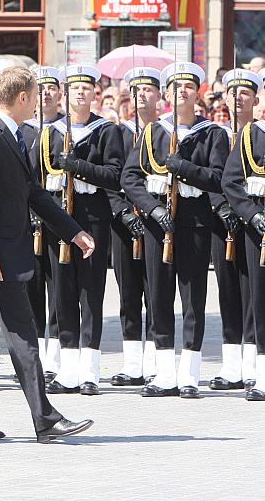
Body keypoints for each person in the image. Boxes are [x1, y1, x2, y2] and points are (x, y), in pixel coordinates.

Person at [0, 66, 94, 442]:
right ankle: (45, 419)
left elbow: (34, 194)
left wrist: (73, 233)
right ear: (23, 97)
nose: (43, 102)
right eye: (36, 96)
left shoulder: (9, 135)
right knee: (23, 334)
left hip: (1, 255)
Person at [121, 62, 227, 398]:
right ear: (166, 94)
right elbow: (130, 178)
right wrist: (151, 209)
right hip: (159, 225)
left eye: (188, 86)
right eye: (176, 86)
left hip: (195, 221)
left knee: (193, 297)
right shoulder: (153, 132)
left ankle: (190, 374)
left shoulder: (212, 134)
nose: (181, 91)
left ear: (197, 93)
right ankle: (165, 372)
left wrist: (184, 168)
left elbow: (218, 179)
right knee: (159, 296)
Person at [45, 65, 125, 396]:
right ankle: (67, 368)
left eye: (86, 87)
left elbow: (115, 174)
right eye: (74, 87)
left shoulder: (106, 131)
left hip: (92, 217)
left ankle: (90, 369)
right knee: (62, 292)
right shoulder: (49, 131)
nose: (80, 92)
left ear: (94, 93)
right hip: (58, 218)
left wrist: (77, 166)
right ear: (65, 93)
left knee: (90, 291)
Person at [208, 68, 261, 390]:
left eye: (245, 94)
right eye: (233, 93)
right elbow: (213, 176)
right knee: (227, 291)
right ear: (225, 97)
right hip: (222, 223)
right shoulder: (216, 134)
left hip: (253, 221)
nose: (238, 98)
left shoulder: (257, 133)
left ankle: (254, 362)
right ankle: (232, 365)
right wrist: (220, 205)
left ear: (255, 99)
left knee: (254, 291)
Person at [110, 67, 160, 386]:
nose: (141, 95)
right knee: (128, 292)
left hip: (155, 220)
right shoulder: (119, 132)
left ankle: (156, 359)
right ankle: (132, 363)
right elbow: (112, 178)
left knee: (156, 291)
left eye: (148, 89)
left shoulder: (164, 131)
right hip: (123, 220)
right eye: (136, 90)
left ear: (158, 95)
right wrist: (122, 211)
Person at [222, 70, 265, 401]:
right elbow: (231, 181)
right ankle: (261, 374)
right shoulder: (251, 135)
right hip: (259, 228)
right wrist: (251, 214)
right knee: (259, 298)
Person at [21, 65, 64, 381]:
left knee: (59, 289)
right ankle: (33, 356)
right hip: (26, 222)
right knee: (31, 290)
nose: (46, 94)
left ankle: (58, 356)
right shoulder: (22, 130)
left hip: (58, 217)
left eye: (52, 88)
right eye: (42, 88)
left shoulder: (68, 130)